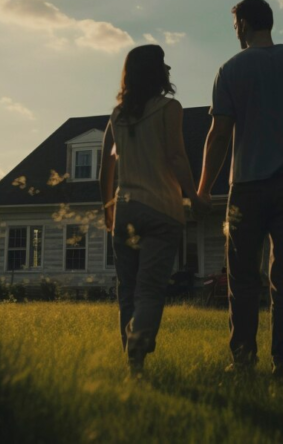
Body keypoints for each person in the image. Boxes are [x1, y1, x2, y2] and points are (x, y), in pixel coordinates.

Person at [197, 0, 283, 378]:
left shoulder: (231, 69)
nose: (235, 32)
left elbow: (219, 134)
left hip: (247, 190)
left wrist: (203, 188)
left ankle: (242, 361)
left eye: (235, 25)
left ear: (242, 24)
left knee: (241, 279)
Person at [99, 44, 208, 376]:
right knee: (149, 290)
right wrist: (196, 196)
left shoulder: (117, 116)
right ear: (157, 71)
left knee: (128, 290)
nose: (168, 68)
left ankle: (135, 366)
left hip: (126, 211)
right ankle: (139, 342)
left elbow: (107, 168)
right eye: (164, 64)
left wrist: (108, 209)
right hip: (162, 210)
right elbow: (176, 156)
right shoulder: (169, 108)